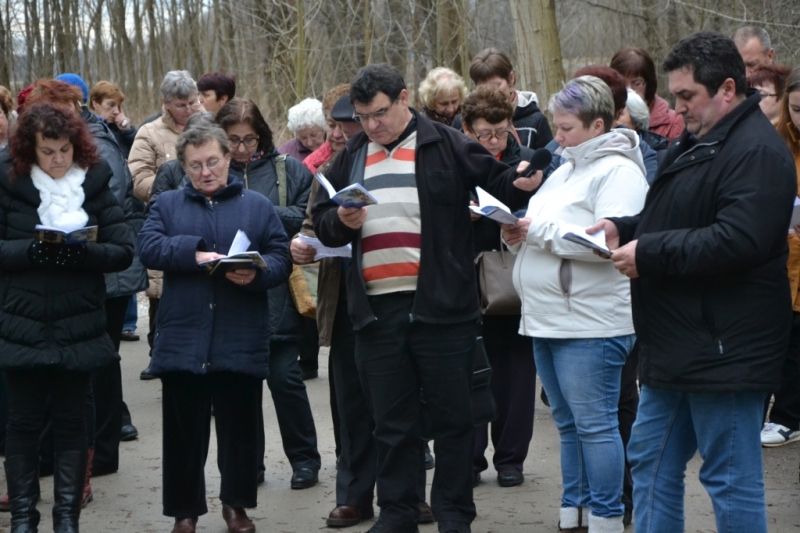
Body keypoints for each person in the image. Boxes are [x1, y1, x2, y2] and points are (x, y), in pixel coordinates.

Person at [312, 63, 542, 533]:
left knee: (455, 419)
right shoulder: (353, 152)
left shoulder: (445, 142)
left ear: (403, 99)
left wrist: (523, 181)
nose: (372, 125)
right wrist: (341, 222)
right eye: (363, 117)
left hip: (441, 306)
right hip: (376, 311)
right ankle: (398, 512)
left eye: (379, 113)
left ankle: (454, 515)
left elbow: (499, 181)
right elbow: (322, 217)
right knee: (391, 422)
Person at [590, 32, 796, 533]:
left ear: (727, 89)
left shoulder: (757, 152)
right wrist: (627, 228)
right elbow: (679, 215)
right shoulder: (700, 138)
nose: (677, 108)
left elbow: (738, 240)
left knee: (729, 478)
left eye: (687, 96)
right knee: (651, 460)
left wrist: (649, 253)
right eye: (675, 96)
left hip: (726, 351)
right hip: (675, 344)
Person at [502, 75, 647, 533]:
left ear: (597, 124)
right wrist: (514, 232)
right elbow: (542, 230)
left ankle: (606, 516)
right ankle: (575, 511)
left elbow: (605, 243)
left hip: (592, 321)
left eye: (566, 128)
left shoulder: (620, 171)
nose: (557, 137)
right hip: (546, 317)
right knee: (568, 424)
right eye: (557, 126)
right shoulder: (564, 169)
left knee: (596, 424)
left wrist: (536, 232)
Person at [138, 124, 291, 533]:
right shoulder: (168, 203)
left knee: (239, 429)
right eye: (195, 165)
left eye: (212, 162)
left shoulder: (257, 205)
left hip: (239, 331)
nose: (205, 172)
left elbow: (280, 257)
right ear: (183, 167)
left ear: (228, 159)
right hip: (183, 334)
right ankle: (184, 512)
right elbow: (148, 247)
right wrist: (193, 253)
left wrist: (257, 274)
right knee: (183, 432)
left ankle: (236, 505)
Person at [0, 102, 134, 533]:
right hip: (23, 320)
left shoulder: (94, 182)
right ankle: (24, 517)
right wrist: (31, 251)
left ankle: (67, 518)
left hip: (79, 320)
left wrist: (83, 253)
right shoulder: (8, 182)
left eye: (64, 150)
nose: (57, 160)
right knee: (22, 422)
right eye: (47, 152)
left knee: (73, 422)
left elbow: (123, 249)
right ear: (30, 149)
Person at [215, 97, 321, 490]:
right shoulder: (211, 172)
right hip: (229, 296)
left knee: (286, 380)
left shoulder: (287, 169)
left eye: (250, 139)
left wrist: (257, 213)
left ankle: (305, 459)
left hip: (278, 293)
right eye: (233, 140)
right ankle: (249, 464)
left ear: (262, 136)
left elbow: (307, 215)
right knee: (241, 388)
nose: (242, 149)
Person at [459, 86, 536, 490]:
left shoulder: (526, 163)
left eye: (501, 132)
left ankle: (510, 459)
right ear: (467, 130)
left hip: (514, 277)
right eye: (484, 134)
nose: (493, 142)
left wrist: (518, 216)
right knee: (469, 370)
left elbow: (544, 209)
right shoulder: (455, 162)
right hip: (466, 276)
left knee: (517, 373)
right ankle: (469, 458)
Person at [128, 70, 201, 379]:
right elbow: (138, 177)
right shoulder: (150, 133)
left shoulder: (209, 126)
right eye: (182, 104)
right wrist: (171, 192)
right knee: (163, 295)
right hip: (169, 221)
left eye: (193, 102)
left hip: (208, 221)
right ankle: (158, 353)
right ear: (167, 103)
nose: (189, 109)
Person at [761, 68, 800, 447]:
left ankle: (789, 416)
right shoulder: (777, 142)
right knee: (780, 341)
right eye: (798, 110)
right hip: (782, 260)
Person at [469, 48, 553, 149]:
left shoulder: (535, 122)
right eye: (484, 88)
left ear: (511, 79)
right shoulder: (470, 121)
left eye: (496, 85)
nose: (491, 93)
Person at [610, 47, 685, 140]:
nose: (629, 90)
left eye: (637, 83)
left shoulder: (673, 122)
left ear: (649, 84)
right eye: (622, 83)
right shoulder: (605, 118)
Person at [88, 81, 137, 157]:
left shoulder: (120, 130)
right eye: (111, 105)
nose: (117, 111)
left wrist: (128, 130)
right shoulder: (88, 131)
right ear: (95, 104)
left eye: (118, 106)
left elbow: (140, 150)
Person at [278, 98, 327, 162]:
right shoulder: (284, 153)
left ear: (323, 129)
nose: (309, 143)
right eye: (303, 138)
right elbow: (278, 166)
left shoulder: (336, 143)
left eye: (313, 135)